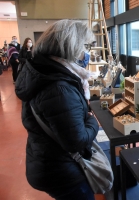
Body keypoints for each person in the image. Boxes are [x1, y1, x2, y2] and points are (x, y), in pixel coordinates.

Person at [15, 20, 100, 200]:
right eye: (85, 46)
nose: (87, 53)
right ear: (71, 47)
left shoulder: (41, 73)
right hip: (62, 170)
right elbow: (77, 141)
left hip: (45, 159)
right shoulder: (59, 87)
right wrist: (93, 120)